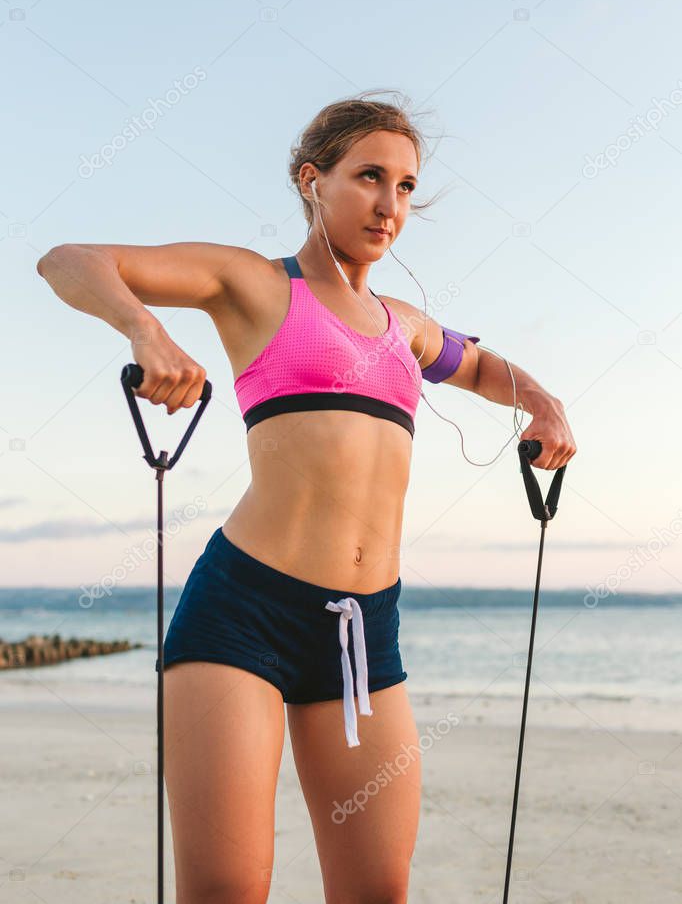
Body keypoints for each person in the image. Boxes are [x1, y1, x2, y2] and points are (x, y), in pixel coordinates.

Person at [36, 92, 576, 904]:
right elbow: (70, 258)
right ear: (311, 180)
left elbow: (483, 364)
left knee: (376, 892)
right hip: (242, 611)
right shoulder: (255, 284)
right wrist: (146, 332)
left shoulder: (406, 327)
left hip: (366, 630)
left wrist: (546, 405)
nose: (389, 204)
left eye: (404, 186)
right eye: (368, 176)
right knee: (226, 887)